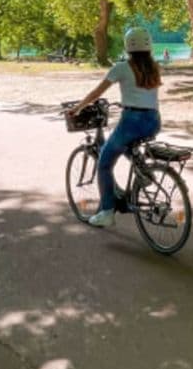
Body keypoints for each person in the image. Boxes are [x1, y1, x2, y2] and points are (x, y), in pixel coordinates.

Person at [67, 27, 162, 227]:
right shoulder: (154, 67)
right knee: (126, 145)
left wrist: (77, 108)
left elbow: (96, 93)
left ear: (128, 46)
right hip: (153, 121)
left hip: (131, 122)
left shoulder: (121, 67)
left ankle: (107, 211)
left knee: (104, 163)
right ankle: (144, 173)